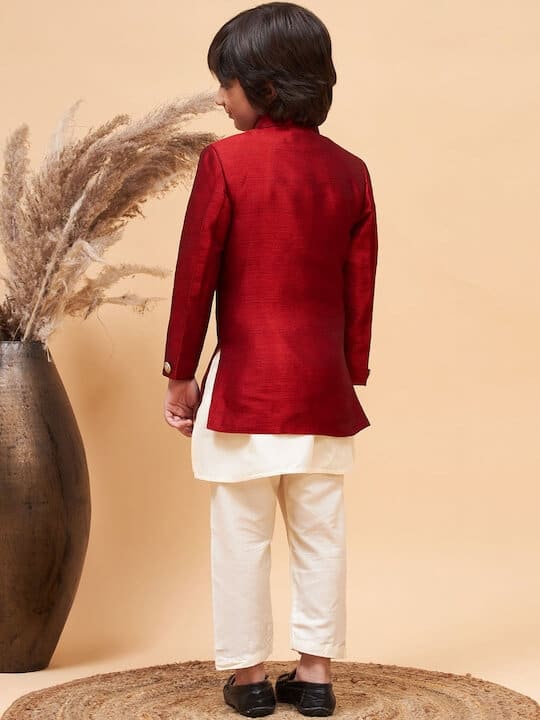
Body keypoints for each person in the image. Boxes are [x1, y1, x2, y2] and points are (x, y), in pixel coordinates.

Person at [162, 2, 378, 716]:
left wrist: (180, 373)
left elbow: (196, 276)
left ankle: (250, 678)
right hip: (321, 392)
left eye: (226, 83)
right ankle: (315, 677)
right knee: (321, 534)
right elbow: (359, 287)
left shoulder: (226, 163)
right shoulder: (351, 172)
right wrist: (350, 370)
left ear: (266, 85)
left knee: (241, 535)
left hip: (245, 391)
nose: (220, 98)